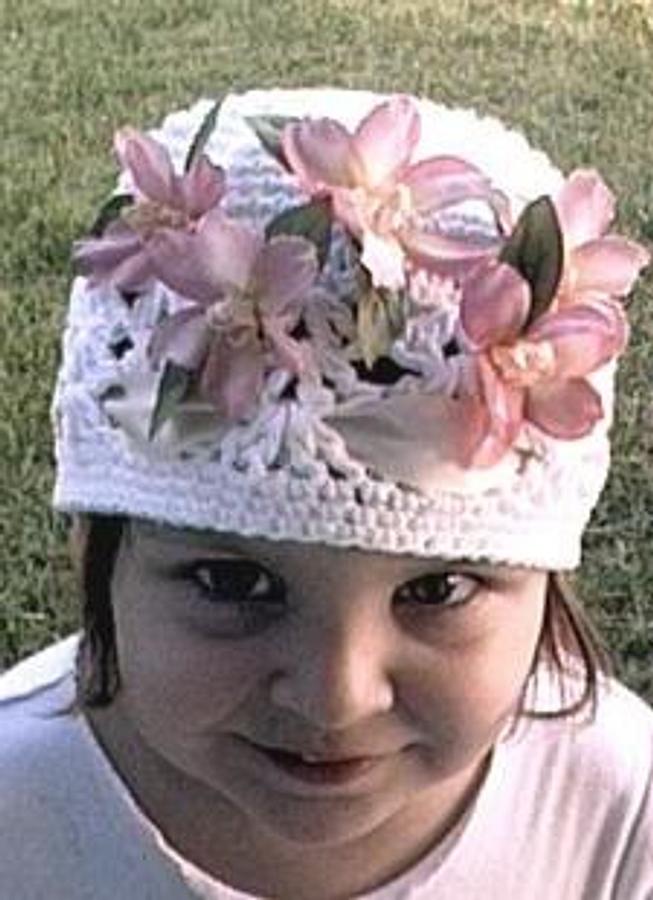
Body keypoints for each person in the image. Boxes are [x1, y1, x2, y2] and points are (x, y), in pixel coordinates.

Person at [0, 87, 651, 899]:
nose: (335, 696)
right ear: (100, 553)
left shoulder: (617, 806)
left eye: (436, 587)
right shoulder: (16, 810)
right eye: (232, 582)